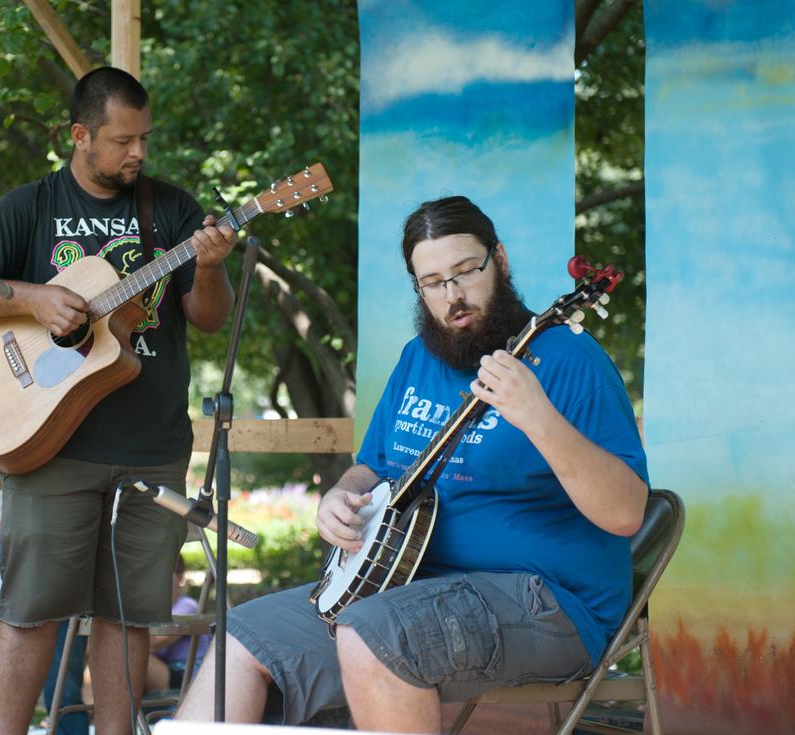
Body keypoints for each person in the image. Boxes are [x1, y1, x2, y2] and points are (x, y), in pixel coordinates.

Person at [176, 195, 649, 733]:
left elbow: (626, 512)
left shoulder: (570, 361)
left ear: (500, 260)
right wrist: (341, 496)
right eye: (432, 282)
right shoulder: (418, 358)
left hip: (548, 602)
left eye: (467, 272)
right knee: (243, 634)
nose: (453, 296)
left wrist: (537, 415)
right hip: (404, 589)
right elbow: (373, 466)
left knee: (374, 633)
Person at [0, 66, 236, 735]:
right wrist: (32, 297)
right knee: (31, 608)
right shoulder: (30, 206)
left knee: (127, 614)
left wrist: (210, 264)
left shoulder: (174, 210)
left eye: (145, 138)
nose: (139, 152)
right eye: (124, 139)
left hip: (152, 448)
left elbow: (208, 317)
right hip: (52, 445)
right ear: (80, 135)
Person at [0, 460, 88, 735]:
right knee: (1, 694)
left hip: (60, 587)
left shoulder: (74, 454)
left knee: (66, 688)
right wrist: (34, 514)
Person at [145, 555, 209, 693]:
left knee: (130, 656)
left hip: (187, 677)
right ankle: (92, 712)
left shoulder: (187, 606)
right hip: (165, 671)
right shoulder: (153, 609)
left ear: (180, 577)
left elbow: (156, 641)